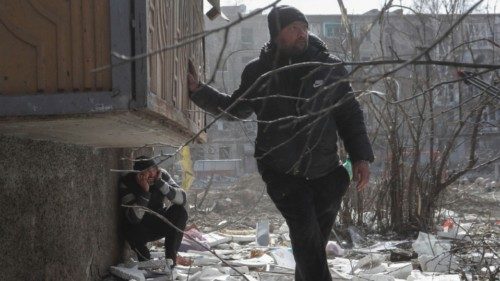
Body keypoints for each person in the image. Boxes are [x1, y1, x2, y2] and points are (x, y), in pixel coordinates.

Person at [187, 5, 374, 281]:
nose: (302, 34)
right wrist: (199, 92)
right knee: (306, 238)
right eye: (294, 29)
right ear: (277, 35)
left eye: (304, 28)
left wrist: (360, 156)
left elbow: (349, 114)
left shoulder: (328, 67)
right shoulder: (260, 72)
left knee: (311, 246)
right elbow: (236, 108)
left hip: (326, 172)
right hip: (283, 173)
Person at [119, 156, 188, 265]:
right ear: (138, 174)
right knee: (130, 228)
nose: (151, 175)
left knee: (180, 212)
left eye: (153, 170)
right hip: (139, 227)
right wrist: (145, 192)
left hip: (158, 220)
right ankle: (145, 260)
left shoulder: (162, 175)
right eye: (146, 172)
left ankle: (171, 259)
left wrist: (161, 184)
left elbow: (182, 199)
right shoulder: (127, 182)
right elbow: (134, 218)